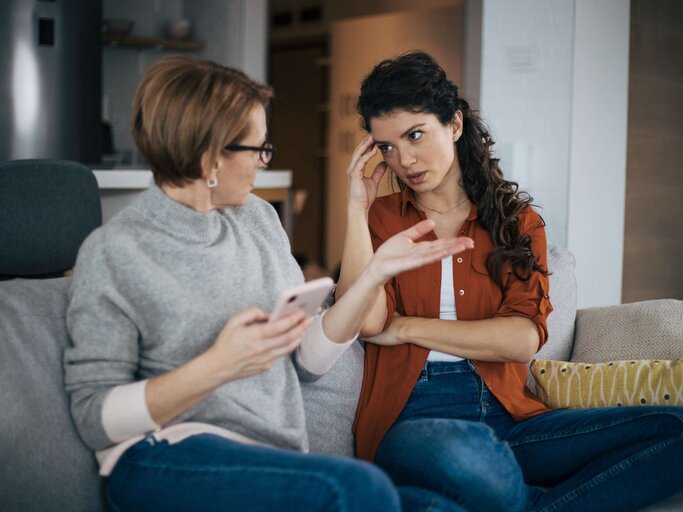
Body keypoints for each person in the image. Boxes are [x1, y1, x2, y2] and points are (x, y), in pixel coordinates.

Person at [63, 56, 475, 512]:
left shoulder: (258, 219)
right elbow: (94, 417)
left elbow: (307, 363)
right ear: (210, 158)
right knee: (362, 491)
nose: (264, 161)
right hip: (165, 456)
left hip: (268, 456)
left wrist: (373, 275)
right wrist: (219, 364)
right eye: (257, 149)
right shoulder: (116, 251)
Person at [336, 51, 683, 512]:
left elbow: (521, 340)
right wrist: (357, 210)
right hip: (413, 422)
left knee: (673, 429)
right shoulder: (381, 218)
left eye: (415, 134)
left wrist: (405, 328)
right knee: (458, 456)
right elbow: (365, 321)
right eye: (387, 146)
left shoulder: (517, 221)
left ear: (454, 125)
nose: (404, 159)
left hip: (508, 417)